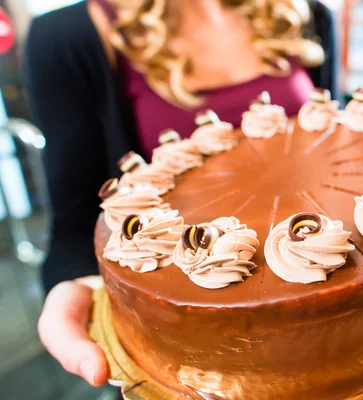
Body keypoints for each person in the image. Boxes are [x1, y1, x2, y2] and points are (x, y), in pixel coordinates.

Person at [25, 0, 337, 386]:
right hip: (195, 348)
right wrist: (77, 283)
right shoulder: (68, 37)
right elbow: (76, 220)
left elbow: (331, 148)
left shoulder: (303, 14)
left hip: (325, 296)